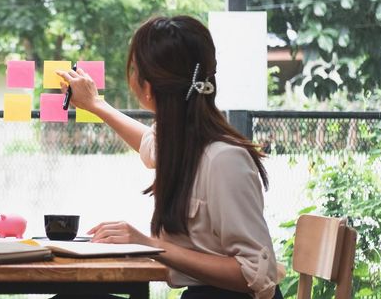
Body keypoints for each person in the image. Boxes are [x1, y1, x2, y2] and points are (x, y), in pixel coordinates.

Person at [56, 15, 283, 299]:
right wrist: (94, 104)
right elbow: (148, 143)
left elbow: (256, 278)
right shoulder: (184, 144)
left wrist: (149, 244)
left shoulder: (224, 160)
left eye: (135, 68)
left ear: (147, 88)